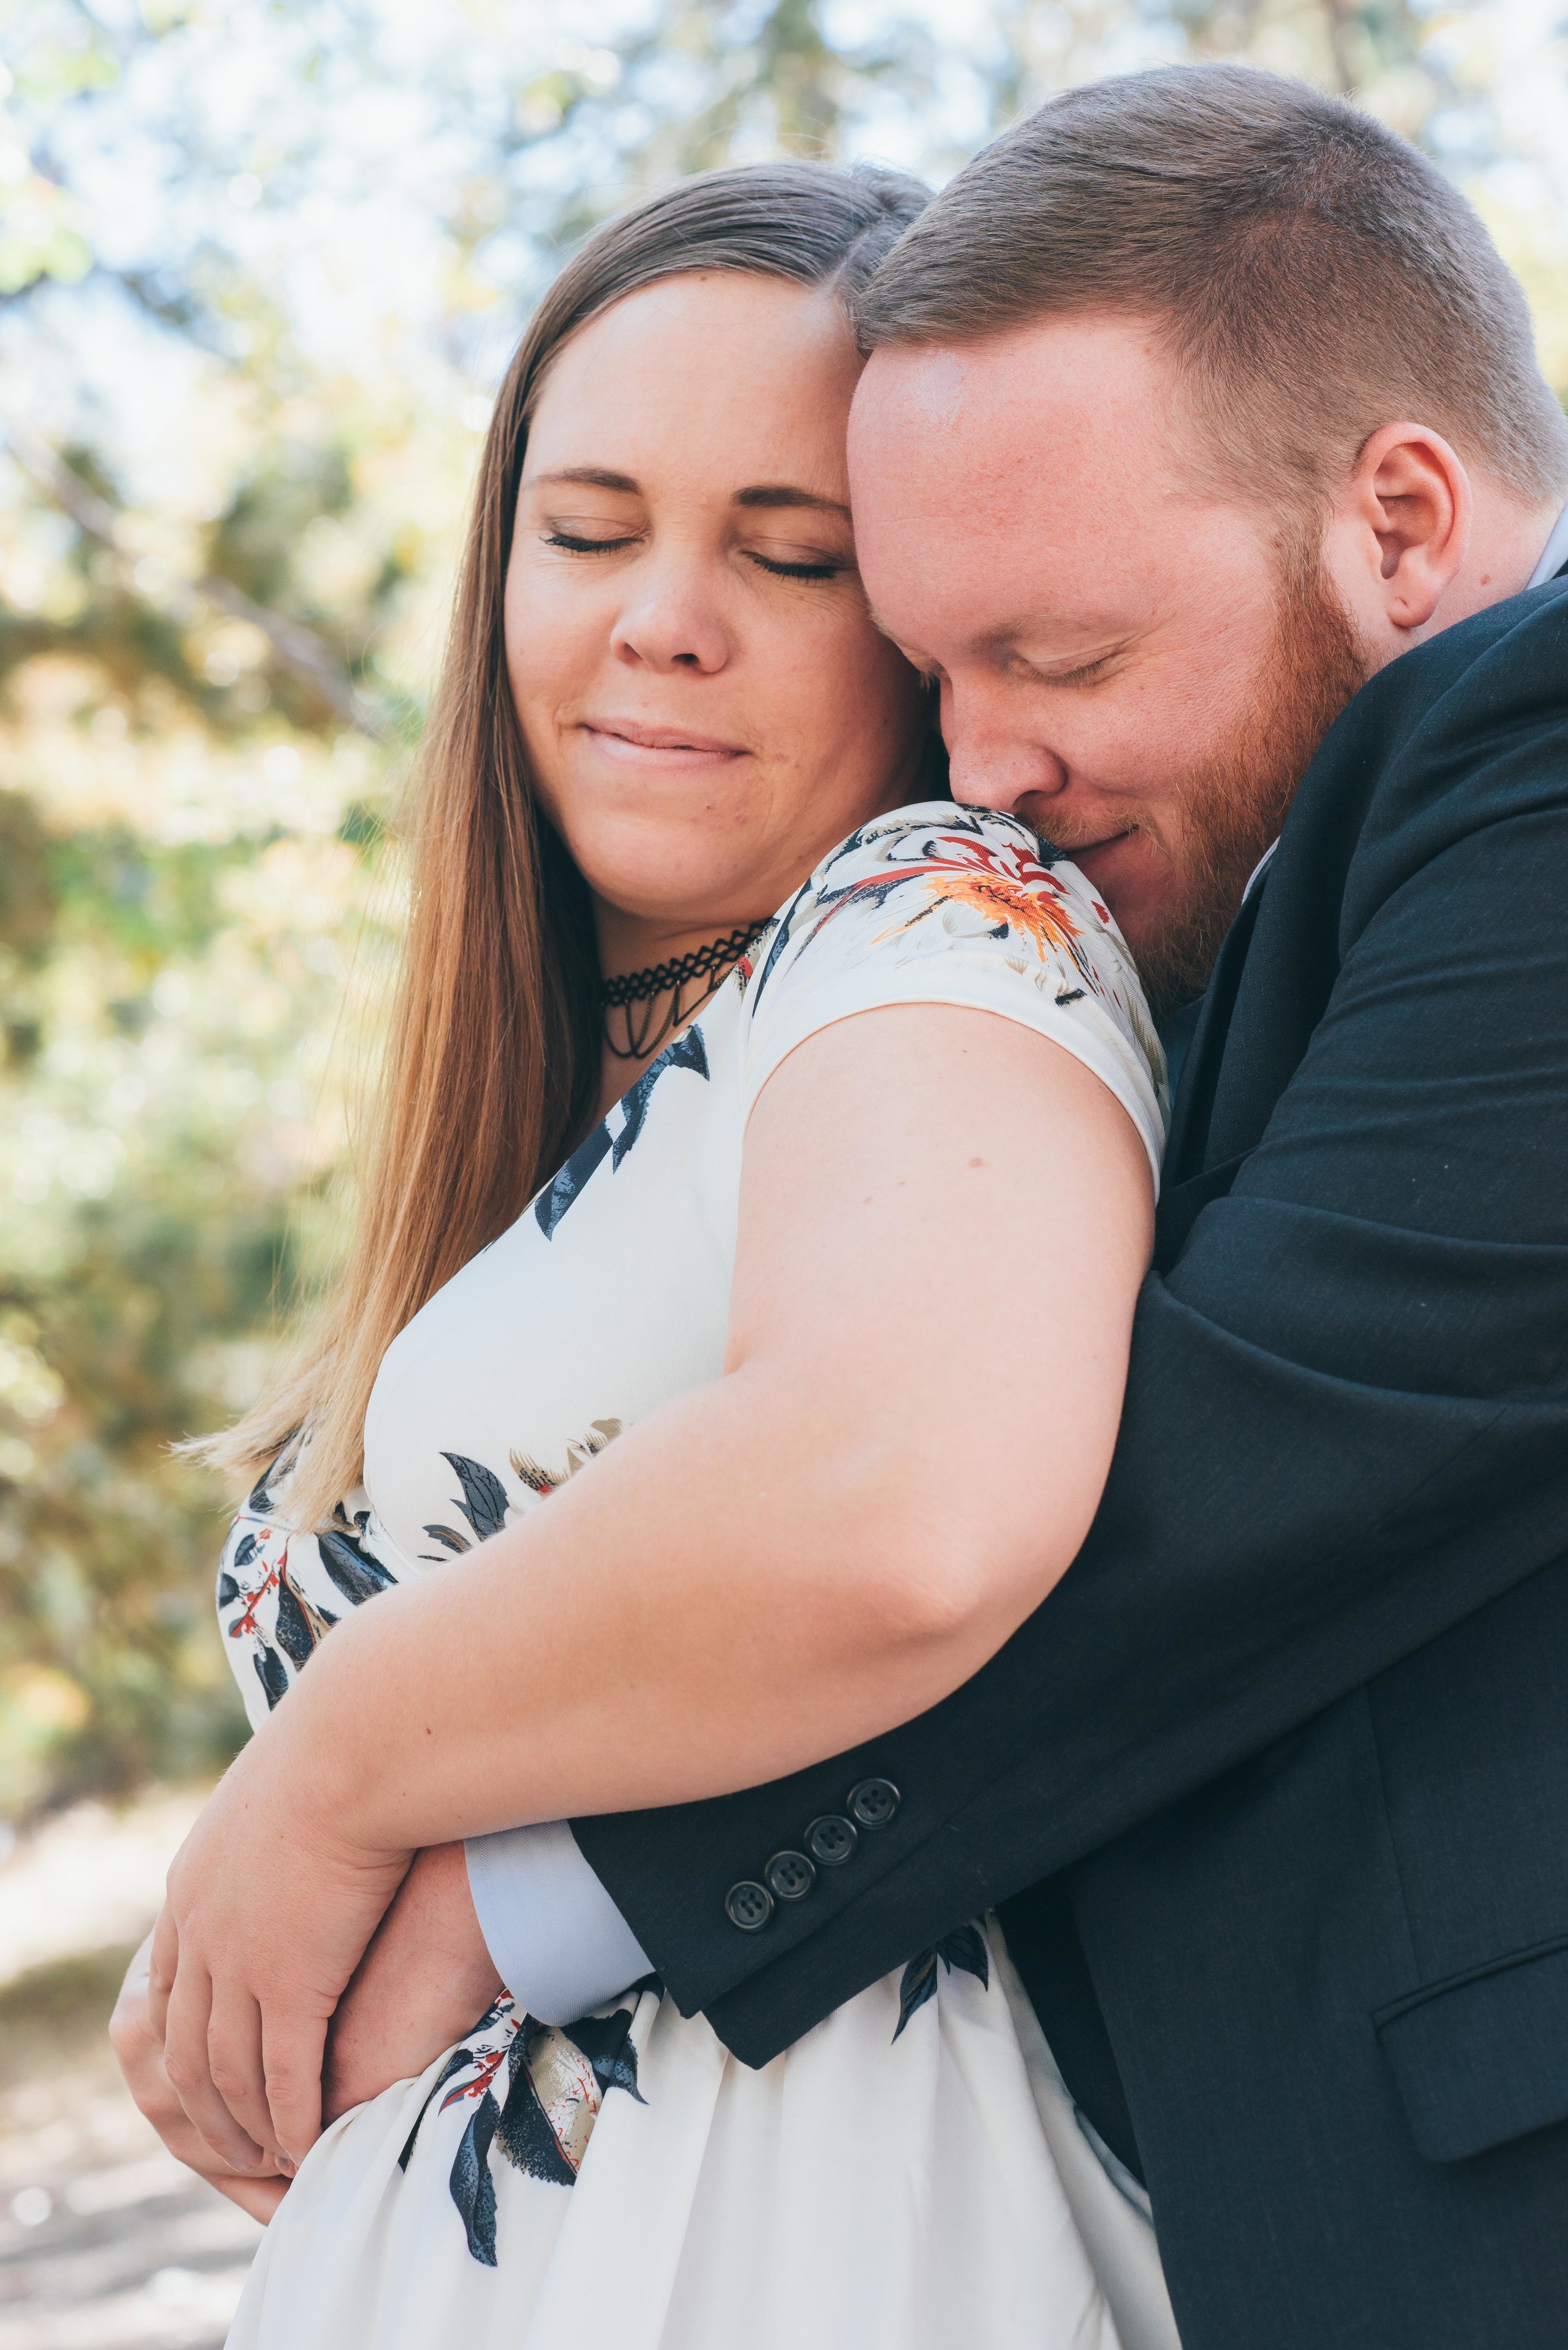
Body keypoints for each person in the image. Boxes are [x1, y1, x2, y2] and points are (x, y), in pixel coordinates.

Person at [127, 67, 1568, 2347]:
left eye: (1051, 653)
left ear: (1404, 520)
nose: (989, 753)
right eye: (582, 527)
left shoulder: (1472, 763)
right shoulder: (1181, 926)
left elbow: (1130, 1475)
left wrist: (412, 1805)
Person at [114, 161, 1180, 2350]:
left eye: (788, 553)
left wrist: (323, 1783)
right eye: (587, 530)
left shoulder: (934, 922)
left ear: (917, 624)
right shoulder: (545, 1123)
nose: (664, 615)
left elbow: (898, 1489)